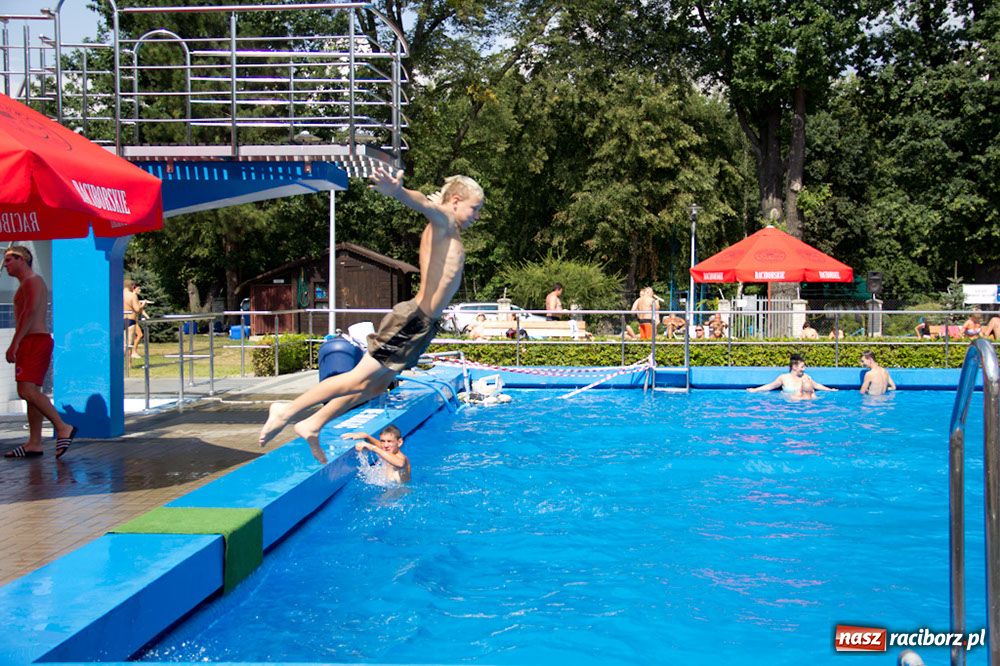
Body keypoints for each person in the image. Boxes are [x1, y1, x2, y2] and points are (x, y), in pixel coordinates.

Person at [259, 169, 484, 462]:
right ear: (455, 201)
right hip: (412, 320)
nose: (477, 216)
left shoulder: (450, 230)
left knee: (376, 385)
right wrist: (398, 192)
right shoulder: (443, 221)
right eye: (474, 208)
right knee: (357, 378)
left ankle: (313, 423)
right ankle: (286, 410)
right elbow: (425, 204)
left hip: (423, 326)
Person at [2, 246, 77, 459]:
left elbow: (30, 312)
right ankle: (34, 443)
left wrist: (14, 343)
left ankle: (63, 427)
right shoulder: (28, 283)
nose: (5, 264)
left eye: (9, 260)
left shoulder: (32, 281)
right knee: (30, 393)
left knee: (26, 391)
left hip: (33, 341)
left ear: (23, 259)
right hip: (33, 340)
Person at [341, 426, 410, 483]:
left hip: (399, 493)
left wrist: (373, 447)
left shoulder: (401, 458)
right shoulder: (387, 450)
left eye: (389, 441)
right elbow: (381, 446)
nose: (385, 445)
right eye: (382, 441)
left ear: (399, 442)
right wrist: (367, 436)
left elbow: (400, 464)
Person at [747, 353, 837, 394]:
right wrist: (755, 390)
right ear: (794, 367)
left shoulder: (806, 378)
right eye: (802, 367)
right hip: (788, 406)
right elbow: (770, 386)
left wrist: (829, 390)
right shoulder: (784, 378)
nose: (804, 369)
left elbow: (817, 385)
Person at [123, 278, 143, 359]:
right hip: (130, 320)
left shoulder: (117, 295)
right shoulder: (132, 295)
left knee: (122, 343)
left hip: (119, 319)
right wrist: (142, 305)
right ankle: (128, 365)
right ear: (131, 286)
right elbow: (137, 309)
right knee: (129, 344)